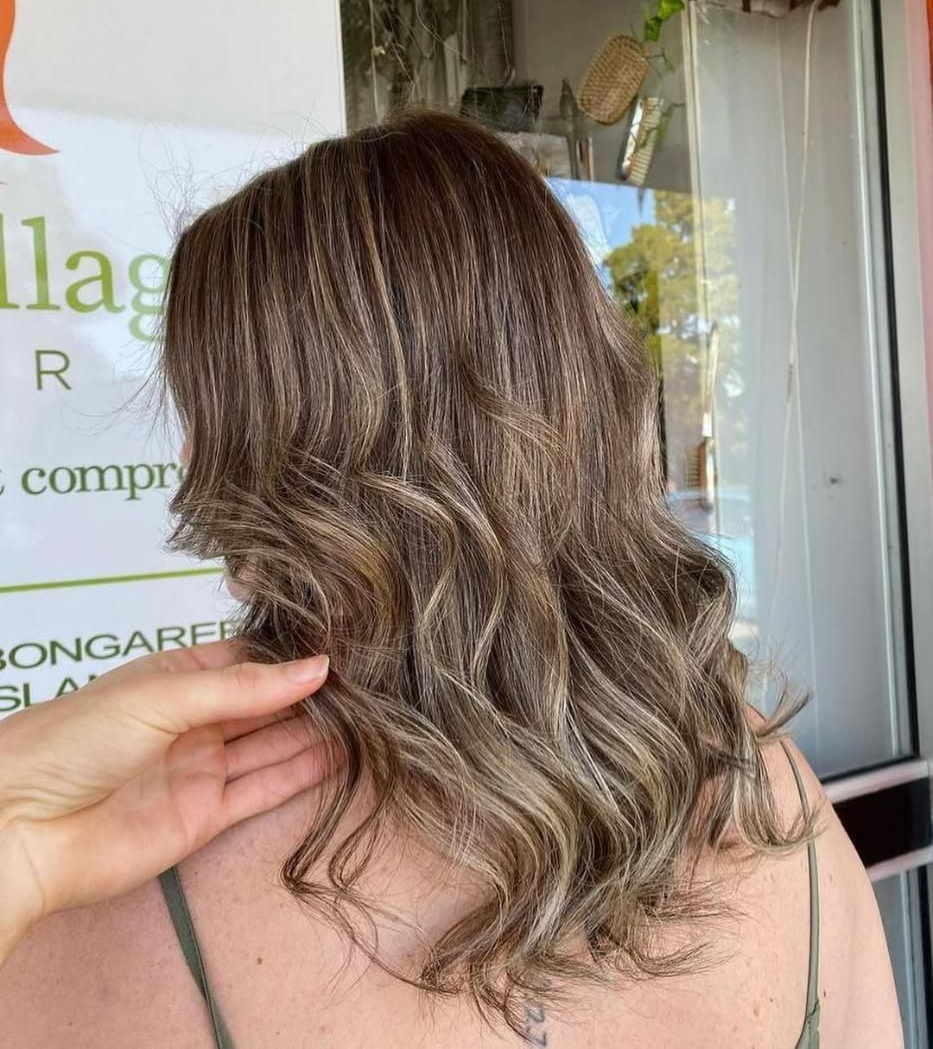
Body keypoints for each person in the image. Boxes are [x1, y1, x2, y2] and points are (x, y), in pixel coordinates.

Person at [0, 111, 901, 1047]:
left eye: (205, 412)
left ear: (285, 465)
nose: (187, 455)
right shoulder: (764, 787)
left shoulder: (129, 881)